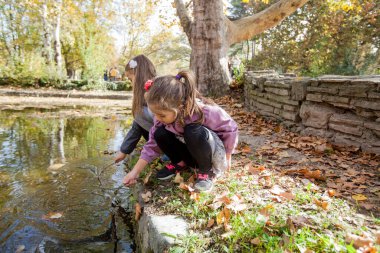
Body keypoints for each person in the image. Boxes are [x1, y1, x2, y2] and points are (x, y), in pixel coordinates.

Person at [122, 70, 238, 192]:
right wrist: (134, 172)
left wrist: (228, 155)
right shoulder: (161, 119)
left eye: (161, 115)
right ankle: (181, 162)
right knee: (159, 133)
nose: (157, 118)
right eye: (154, 114)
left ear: (180, 107)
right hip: (191, 153)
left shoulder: (203, 112)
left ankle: (206, 171)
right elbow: (151, 145)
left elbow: (230, 127)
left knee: (192, 130)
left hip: (211, 154)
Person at [114, 55, 157, 163]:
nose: (130, 83)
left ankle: (166, 151)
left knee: (139, 115)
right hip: (159, 133)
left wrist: (124, 150)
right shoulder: (144, 93)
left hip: (170, 135)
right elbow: (137, 126)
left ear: (138, 75)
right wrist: (124, 150)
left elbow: (138, 123)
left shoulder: (157, 90)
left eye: (130, 79)